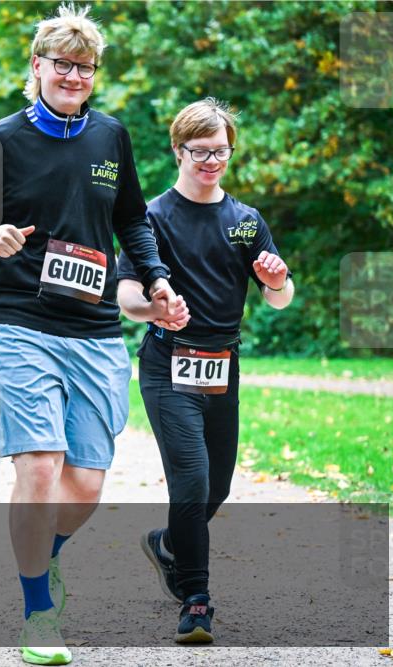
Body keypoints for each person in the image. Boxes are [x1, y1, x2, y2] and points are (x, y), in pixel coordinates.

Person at [0, 5, 179, 664]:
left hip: (95, 329)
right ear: (36, 67)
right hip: (19, 323)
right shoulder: (1, 140)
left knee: (85, 486)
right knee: (39, 466)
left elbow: (133, 221)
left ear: (93, 75)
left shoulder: (110, 137)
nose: (72, 75)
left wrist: (154, 281)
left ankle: (45, 557)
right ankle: (38, 610)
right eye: (60, 63)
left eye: (84, 66)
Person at [116, 98, 294, 645]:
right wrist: (155, 308)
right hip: (168, 362)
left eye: (221, 151)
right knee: (191, 480)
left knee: (216, 487)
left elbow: (280, 298)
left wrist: (275, 277)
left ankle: (168, 544)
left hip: (222, 367)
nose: (212, 161)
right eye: (200, 151)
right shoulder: (151, 217)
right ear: (178, 150)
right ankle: (196, 601)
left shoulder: (245, 222)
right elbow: (125, 294)